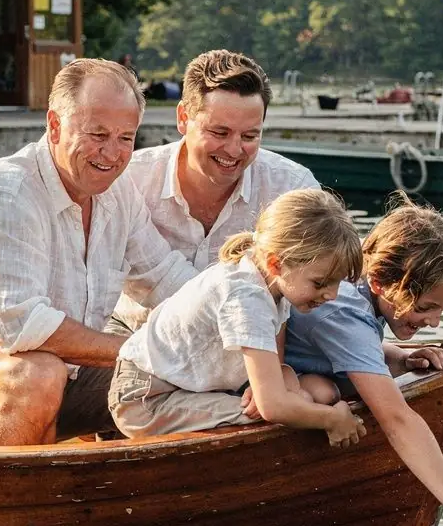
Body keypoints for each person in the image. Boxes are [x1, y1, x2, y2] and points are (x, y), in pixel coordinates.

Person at [0, 59, 196, 448]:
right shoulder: (6, 192)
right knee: (37, 374)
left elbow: (166, 278)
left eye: (125, 138)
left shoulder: (119, 192)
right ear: (55, 125)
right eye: (97, 134)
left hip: (61, 376)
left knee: (182, 375)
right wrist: (139, 349)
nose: (111, 153)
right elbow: (19, 326)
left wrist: (238, 310)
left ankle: (111, 490)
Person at [283, 196, 443, 526]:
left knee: (325, 388)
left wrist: (399, 356)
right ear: (379, 281)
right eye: (424, 308)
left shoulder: (353, 287)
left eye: (441, 309)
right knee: (322, 392)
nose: (435, 322)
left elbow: (350, 337)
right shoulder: (340, 311)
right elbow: (396, 419)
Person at [108, 187, 367, 445]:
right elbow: (273, 406)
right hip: (147, 399)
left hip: (186, 387)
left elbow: (273, 370)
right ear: (277, 264)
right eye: (320, 283)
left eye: (337, 283)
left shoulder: (275, 284)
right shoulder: (246, 296)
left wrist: (284, 388)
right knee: (286, 412)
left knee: (304, 397)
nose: (331, 295)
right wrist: (332, 419)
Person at [117, 49, 320, 326]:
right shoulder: (130, 180)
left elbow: (325, 290)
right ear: (183, 118)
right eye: (219, 132)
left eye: (250, 135)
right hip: (136, 335)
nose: (234, 150)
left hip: (253, 347)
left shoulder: (293, 189)